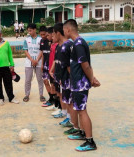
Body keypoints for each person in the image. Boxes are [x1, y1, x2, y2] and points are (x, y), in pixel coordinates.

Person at [63, 19, 100, 151]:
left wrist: (91, 79)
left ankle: (90, 142)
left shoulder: (78, 44)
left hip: (80, 83)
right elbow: (84, 64)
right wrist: (92, 77)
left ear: (68, 30)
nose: (63, 32)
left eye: (64, 30)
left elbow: (85, 64)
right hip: (77, 82)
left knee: (82, 111)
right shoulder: (78, 43)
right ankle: (83, 133)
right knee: (79, 110)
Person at [51, 23, 74, 128]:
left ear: (58, 33)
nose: (52, 37)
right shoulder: (59, 46)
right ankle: (68, 117)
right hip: (62, 78)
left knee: (70, 101)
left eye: (53, 34)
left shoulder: (68, 45)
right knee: (65, 99)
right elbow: (57, 61)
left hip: (68, 79)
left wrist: (73, 79)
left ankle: (73, 122)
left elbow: (70, 65)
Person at [23, 23, 45, 102]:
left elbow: (42, 50)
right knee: (28, 79)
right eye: (28, 31)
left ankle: (41, 95)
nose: (29, 32)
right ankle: (27, 95)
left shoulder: (41, 39)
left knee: (40, 79)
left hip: (39, 62)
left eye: (31, 30)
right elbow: (25, 50)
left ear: (35, 30)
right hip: (29, 62)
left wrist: (37, 60)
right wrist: (32, 60)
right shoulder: (26, 39)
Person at [39, 26, 56, 107]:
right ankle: (50, 98)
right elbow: (42, 53)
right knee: (45, 81)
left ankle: (55, 100)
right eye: (41, 35)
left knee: (53, 84)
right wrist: (42, 64)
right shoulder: (42, 41)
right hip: (45, 64)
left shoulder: (53, 42)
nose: (43, 36)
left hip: (52, 65)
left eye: (44, 34)